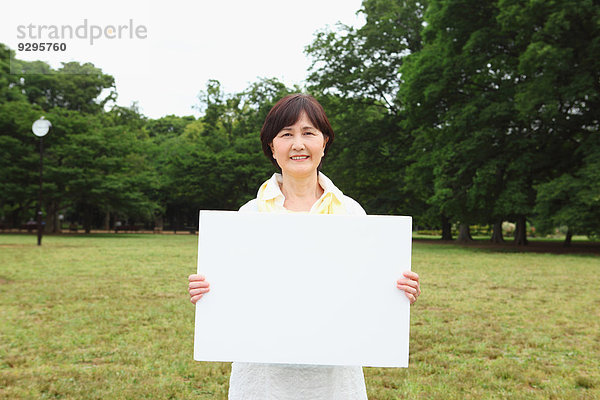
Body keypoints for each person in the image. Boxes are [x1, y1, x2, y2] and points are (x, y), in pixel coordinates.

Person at [188, 94, 421, 399]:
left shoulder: (352, 214)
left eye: (308, 133)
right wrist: (209, 293)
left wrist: (397, 292)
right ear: (272, 147)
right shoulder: (248, 217)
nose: (298, 144)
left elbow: (368, 294)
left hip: (334, 383)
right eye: (286, 134)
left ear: (324, 142)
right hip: (262, 382)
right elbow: (234, 296)